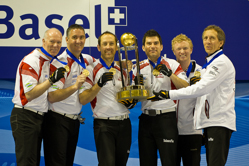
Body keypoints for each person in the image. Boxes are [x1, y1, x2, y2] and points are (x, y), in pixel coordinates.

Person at [148, 25, 236, 166]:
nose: (208, 41)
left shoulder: (216, 64)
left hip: (210, 124)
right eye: (205, 38)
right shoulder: (209, 64)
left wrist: (167, 94)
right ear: (173, 51)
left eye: (212, 38)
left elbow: (200, 89)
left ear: (221, 42)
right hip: (189, 127)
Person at [79, 31, 137, 166]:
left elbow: (126, 95)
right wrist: (99, 84)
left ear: (116, 47)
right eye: (105, 44)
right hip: (104, 125)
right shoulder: (91, 69)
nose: (108, 47)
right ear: (99, 47)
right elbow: (83, 99)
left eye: (111, 44)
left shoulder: (122, 69)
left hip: (124, 124)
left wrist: (131, 101)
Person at [132, 29, 189, 166]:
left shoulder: (172, 64)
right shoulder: (138, 68)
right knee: (146, 162)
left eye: (156, 43)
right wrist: (136, 88)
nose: (153, 46)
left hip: (166, 118)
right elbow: (135, 98)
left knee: (169, 162)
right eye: (149, 43)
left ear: (161, 46)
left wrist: (170, 74)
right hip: (146, 119)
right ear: (143, 47)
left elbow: (186, 87)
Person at [10, 28, 65, 166]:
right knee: (27, 162)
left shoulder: (50, 62)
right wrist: (51, 80)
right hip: (25, 116)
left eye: (59, 42)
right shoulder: (31, 60)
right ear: (43, 41)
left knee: (33, 161)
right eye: (52, 41)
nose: (56, 45)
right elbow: (29, 95)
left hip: (41, 117)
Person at [43, 24, 95, 166]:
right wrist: (75, 87)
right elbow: (52, 96)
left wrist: (120, 63)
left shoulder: (87, 60)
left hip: (73, 121)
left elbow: (103, 64)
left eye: (81, 37)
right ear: (66, 39)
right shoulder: (60, 62)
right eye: (74, 37)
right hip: (56, 121)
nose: (78, 41)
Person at [171, 34, 202, 166]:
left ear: (191, 49)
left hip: (192, 131)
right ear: (173, 51)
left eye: (185, 48)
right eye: (178, 49)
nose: (182, 52)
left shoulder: (202, 72)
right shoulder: (169, 73)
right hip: (170, 130)